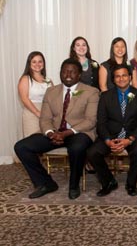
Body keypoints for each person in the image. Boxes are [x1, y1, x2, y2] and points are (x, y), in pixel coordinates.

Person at [15, 58, 99, 200]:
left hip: (78, 132)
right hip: (54, 132)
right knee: (21, 146)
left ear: (79, 75)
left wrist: (66, 133)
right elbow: (45, 118)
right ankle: (45, 183)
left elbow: (90, 120)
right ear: (60, 73)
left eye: (72, 72)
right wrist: (50, 133)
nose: (68, 74)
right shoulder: (51, 91)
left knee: (77, 148)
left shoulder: (91, 92)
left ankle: (74, 185)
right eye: (65, 71)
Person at [87, 64, 137, 197]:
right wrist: (108, 141)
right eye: (117, 76)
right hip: (111, 135)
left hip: (133, 135)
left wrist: (129, 140)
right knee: (92, 152)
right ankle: (108, 181)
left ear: (130, 77)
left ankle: (131, 184)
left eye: (124, 75)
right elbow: (101, 123)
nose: (121, 79)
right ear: (113, 79)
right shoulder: (105, 96)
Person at [18, 51, 53, 137]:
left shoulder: (48, 80)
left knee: (45, 143)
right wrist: (37, 113)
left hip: (47, 114)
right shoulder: (25, 79)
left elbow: (53, 98)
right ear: (29, 64)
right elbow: (24, 99)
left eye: (40, 61)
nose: (37, 64)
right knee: (32, 142)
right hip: (32, 114)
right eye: (34, 61)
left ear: (43, 63)